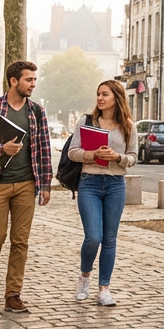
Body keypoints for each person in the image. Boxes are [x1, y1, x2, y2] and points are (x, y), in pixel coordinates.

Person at [0, 60, 53, 314]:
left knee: (20, 241)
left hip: (27, 184)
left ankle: (13, 294)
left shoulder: (36, 111)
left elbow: (45, 149)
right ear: (13, 81)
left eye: (35, 80)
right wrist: (0, 149)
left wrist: (46, 183)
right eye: (28, 80)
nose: (33, 84)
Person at [68, 80, 137, 306]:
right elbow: (72, 153)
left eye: (105, 94)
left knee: (109, 239)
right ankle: (84, 277)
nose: (100, 98)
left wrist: (117, 158)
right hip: (90, 182)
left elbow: (133, 157)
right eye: (98, 94)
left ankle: (104, 289)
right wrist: (92, 154)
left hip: (116, 184)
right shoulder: (87, 122)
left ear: (116, 98)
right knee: (93, 237)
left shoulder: (128, 125)